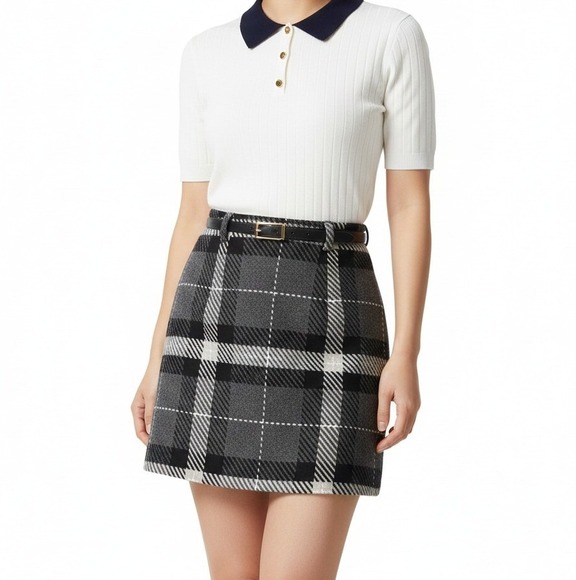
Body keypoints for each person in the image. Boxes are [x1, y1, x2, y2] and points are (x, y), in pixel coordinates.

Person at [130, 0, 436, 577]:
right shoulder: (206, 52)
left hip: (334, 309)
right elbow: (192, 213)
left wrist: (408, 352)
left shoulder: (391, 36)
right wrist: (156, 359)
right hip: (216, 313)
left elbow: (409, 205)